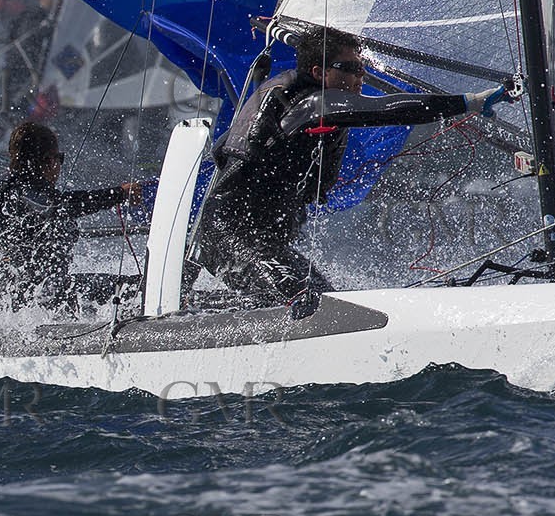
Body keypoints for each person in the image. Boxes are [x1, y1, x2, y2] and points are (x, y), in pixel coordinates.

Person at [193, 24, 508, 313]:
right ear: (319, 72)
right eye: (351, 69)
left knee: (328, 302)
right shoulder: (310, 105)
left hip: (264, 242)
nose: (361, 78)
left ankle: (213, 307)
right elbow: (386, 109)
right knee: (309, 307)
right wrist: (468, 102)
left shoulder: (293, 103)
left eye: (362, 68)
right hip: (230, 237)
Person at [0, 120, 142, 311]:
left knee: (123, 287)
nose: (59, 166)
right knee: (134, 289)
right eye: (59, 158)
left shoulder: (12, 187)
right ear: (47, 161)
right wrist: (118, 194)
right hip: (29, 298)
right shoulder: (21, 193)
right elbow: (63, 205)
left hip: (31, 293)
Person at [3, 0, 63, 121]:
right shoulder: (31, 21)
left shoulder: (67, 24)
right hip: (28, 105)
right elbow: (20, 65)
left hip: (60, 103)